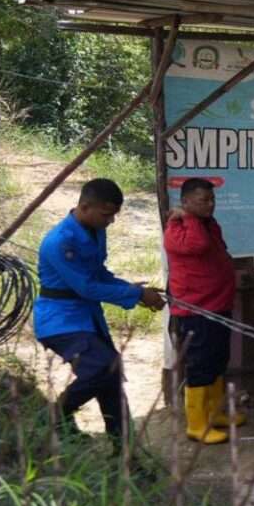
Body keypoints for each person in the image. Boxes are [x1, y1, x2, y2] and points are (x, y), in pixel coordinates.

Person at [34, 179, 165, 445]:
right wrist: (136, 295)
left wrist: (133, 290)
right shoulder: (61, 241)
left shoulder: (95, 230)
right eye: (106, 215)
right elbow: (86, 287)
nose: (111, 221)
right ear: (84, 207)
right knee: (105, 368)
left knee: (111, 376)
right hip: (60, 321)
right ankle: (53, 417)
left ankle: (124, 450)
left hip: (86, 318)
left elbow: (99, 274)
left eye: (113, 215)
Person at [164, 178, 239, 444]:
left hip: (218, 305)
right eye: (202, 201)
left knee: (218, 360)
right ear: (184, 202)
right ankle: (197, 424)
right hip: (196, 311)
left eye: (212, 199)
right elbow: (198, 245)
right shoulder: (177, 228)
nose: (210, 205)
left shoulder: (208, 223)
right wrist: (187, 218)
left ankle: (215, 413)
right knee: (200, 366)